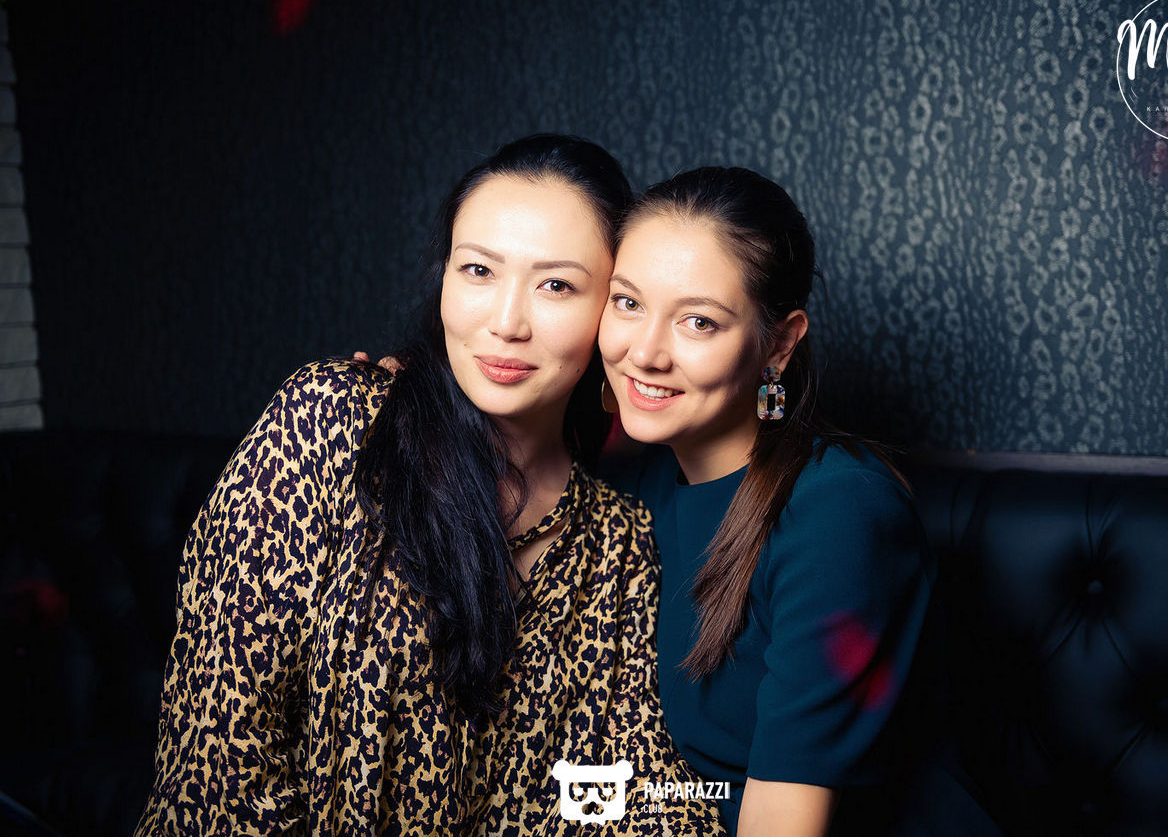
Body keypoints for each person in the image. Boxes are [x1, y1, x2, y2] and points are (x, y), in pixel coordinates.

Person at [135, 135, 723, 836]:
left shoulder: (616, 542)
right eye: (478, 270)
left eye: (556, 285)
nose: (504, 322)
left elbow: (619, 789)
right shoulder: (333, 422)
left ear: (615, 307)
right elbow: (218, 756)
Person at [597, 167, 934, 837]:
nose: (644, 352)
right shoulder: (634, 484)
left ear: (778, 345)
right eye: (627, 302)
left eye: (698, 321)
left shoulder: (837, 507)